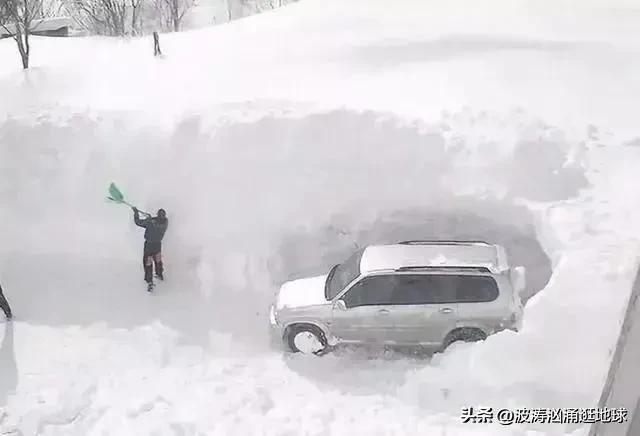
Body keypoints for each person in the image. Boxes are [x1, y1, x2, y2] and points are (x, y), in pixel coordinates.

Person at [133, 207, 169, 288]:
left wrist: (136, 213)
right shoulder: (165, 222)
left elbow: (138, 222)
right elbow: (156, 221)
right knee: (158, 260)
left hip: (149, 246)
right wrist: (150, 218)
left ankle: (149, 281)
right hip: (158, 245)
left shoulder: (151, 222)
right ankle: (159, 274)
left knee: (148, 262)